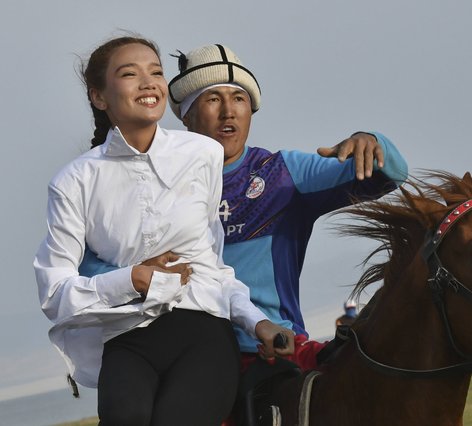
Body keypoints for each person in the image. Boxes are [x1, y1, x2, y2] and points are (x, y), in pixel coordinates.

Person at [80, 44, 408, 372]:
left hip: (275, 348)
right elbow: (91, 271)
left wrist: (371, 140)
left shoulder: (283, 174)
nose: (228, 111)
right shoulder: (150, 184)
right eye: (212, 99)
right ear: (188, 117)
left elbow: (389, 174)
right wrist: (136, 275)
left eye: (239, 98)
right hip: (184, 356)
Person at [34, 36, 293, 426]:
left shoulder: (202, 155)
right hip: (126, 339)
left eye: (155, 72)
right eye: (129, 74)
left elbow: (211, 267)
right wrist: (133, 278)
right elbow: (55, 293)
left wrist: (257, 322)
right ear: (99, 97)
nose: (148, 82)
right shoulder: (73, 181)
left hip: (203, 332)